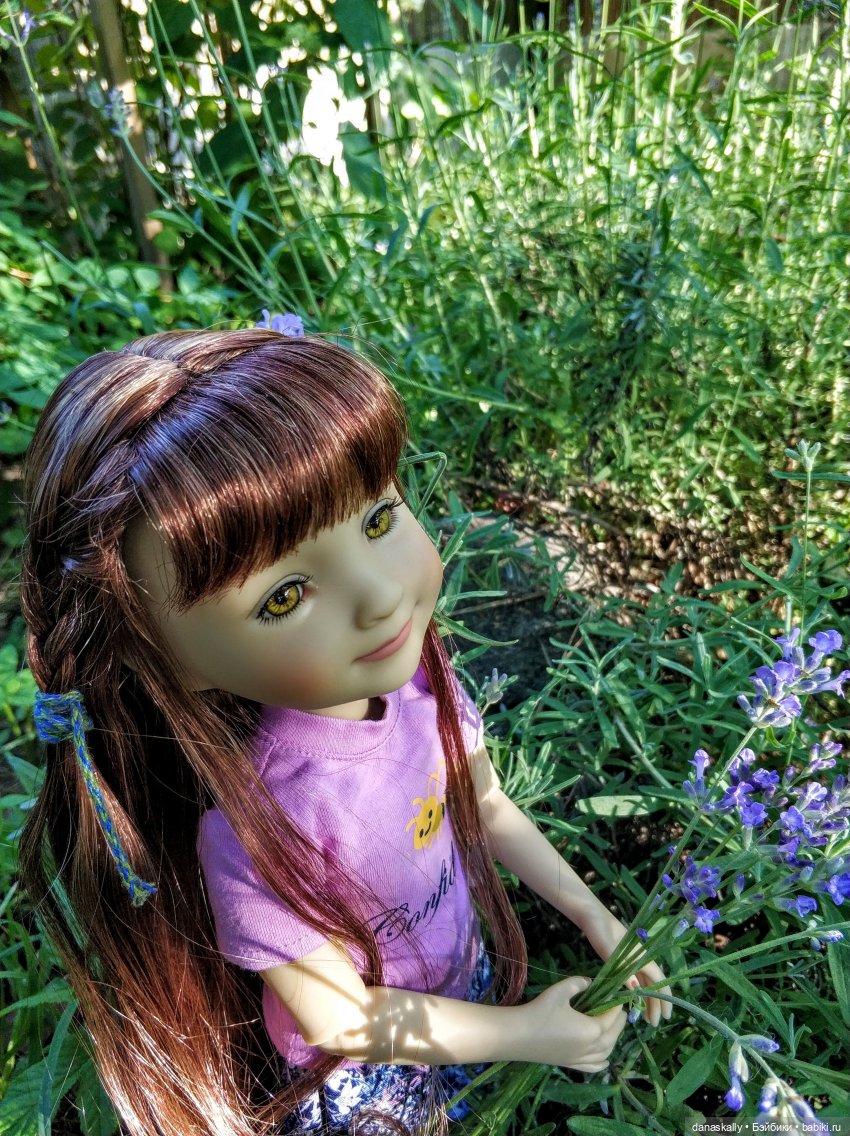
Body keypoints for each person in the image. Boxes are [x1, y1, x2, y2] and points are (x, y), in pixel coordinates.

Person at [19, 326, 670, 1136]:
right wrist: (529, 1034)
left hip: (457, 975)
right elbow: (341, 1020)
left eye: (379, 518)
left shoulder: (422, 684)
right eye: (284, 597)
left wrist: (593, 915)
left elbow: (485, 804)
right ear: (163, 662)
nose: (381, 596)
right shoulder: (261, 824)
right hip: (373, 1087)